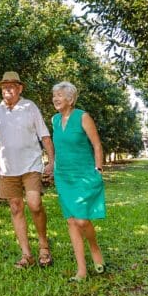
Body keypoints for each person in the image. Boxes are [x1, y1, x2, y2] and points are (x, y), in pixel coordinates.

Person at [0, 71, 55, 268]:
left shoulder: (30, 107)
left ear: (20, 88)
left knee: (34, 204)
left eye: (12, 85)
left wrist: (51, 160)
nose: (8, 89)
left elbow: (44, 135)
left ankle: (44, 246)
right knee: (15, 207)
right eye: (5, 86)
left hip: (31, 165)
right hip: (6, 168)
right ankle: (26, 255)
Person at [51, 81, 106, 281]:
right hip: (63, 176)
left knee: (82, 219)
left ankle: (94, 247)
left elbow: (97, 145)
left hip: (83, 175)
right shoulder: (55, 120)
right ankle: (81, 270)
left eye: (59, 95)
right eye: (54, 95)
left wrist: (98, 170)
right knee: (72, 222)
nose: (55, 99)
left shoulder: (83, 117)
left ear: (71, 99)